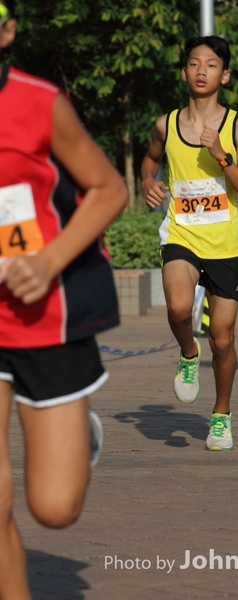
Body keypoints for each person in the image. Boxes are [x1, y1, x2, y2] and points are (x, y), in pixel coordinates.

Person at [0, 2, 128, 598]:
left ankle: (77, 429)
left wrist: (49, 261)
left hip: (45, 318)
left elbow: (109, 189)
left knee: (55, 508)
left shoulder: (38, 101)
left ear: (7, 31)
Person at [141, 35, 238, 451]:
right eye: (194, 64)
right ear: (184, 72)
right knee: (177, 306)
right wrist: (147, 181)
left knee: (223, 340)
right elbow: (151, 158)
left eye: (211, 65)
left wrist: (222, 156)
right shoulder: (166, 124)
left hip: (224, 243)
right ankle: (189, 354)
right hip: (182, 234)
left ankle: (221, 416)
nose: (201, 71)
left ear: (224, 75)